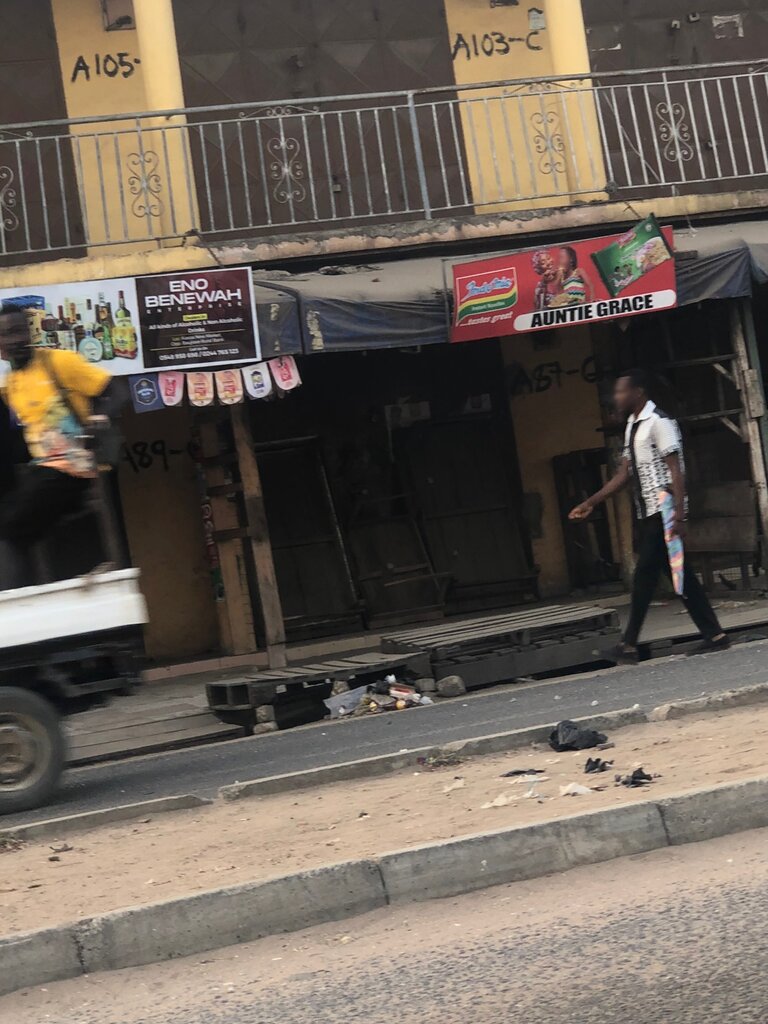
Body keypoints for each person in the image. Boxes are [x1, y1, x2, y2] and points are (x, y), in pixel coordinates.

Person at [569, 369, 729, 661]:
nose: (616, 397)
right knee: (680, 575)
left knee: (644, 574)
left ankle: (629, 644)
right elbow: (624, 474)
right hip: (649, 510)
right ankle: (715, 634)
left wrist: (680, 515)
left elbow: (676, 470)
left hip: (664, 510)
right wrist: (591, 502)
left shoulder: (659, 422)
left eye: (621, 391)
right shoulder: (633, 425)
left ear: (638, 392)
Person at [0, 310, 119, 584]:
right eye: (7, 334)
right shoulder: (11, 384)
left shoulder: (59, 362)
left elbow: (115, 390)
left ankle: (12, 594)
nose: (16, 340)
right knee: (15, 526)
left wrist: (99, 419)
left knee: (9, 524)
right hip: (44, 470)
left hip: (75, 464)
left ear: (30, 333)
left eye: (19, 331)